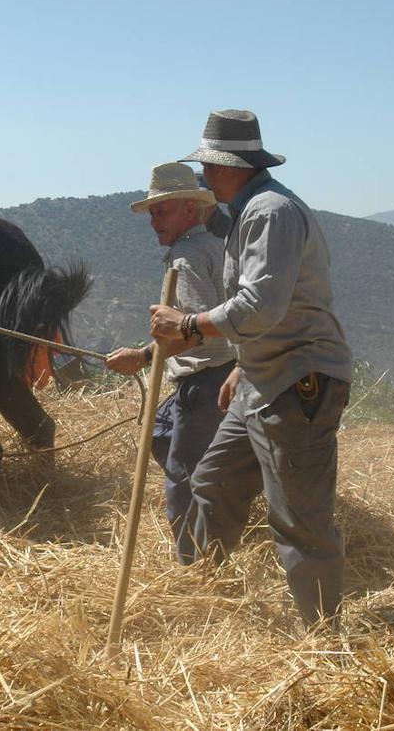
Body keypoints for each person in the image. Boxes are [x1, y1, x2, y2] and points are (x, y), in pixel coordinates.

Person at [149, 109, 353, 630]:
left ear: (226, 167)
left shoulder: (270, 212)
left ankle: (324, 638)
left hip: (297, 380)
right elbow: (262, 311)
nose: (205, 177)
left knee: (299, 519)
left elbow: (261, 305)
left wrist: (189, 325)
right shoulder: (249, 212)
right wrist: (244, 362)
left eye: (208, 169)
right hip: (264, 377)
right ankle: (198, 598)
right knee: (214, 482)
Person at [105, 163, 237, 561]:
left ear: (191, 212)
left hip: (207, 380)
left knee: (181, 478)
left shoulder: (186, 257)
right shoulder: (214, 245)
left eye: (162, 212)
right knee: (161, 433)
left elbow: (197, 328)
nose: (153, 222)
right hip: (219, 374)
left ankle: (194, 562)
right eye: (152, 213)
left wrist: (143, 357)